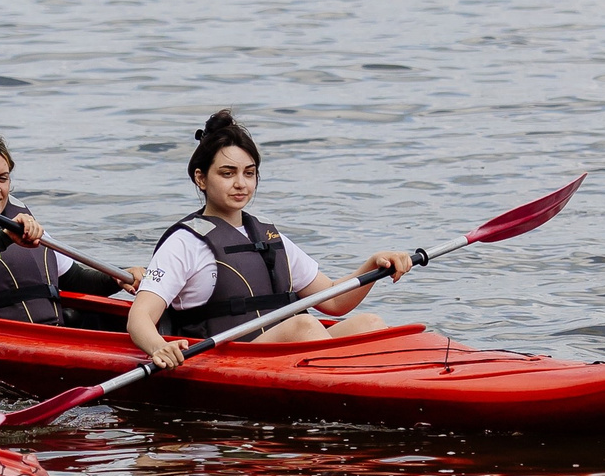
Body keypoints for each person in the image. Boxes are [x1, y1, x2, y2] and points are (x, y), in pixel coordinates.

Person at [127, 110, 411, 369]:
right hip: (227, 358)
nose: (241, 183)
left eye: (249, 173)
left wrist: (374, 266)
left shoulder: (270, 237)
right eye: (228, 173)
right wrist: (159, 348)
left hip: (287, 352)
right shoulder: (184, 243)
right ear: (201, 179)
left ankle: (389, 381)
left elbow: (334, 303)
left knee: (370, 324)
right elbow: (139, 318)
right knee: (302, 325)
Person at [0, 128, 144, 324]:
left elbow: (77, 279)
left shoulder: (22, 220)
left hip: (51, 334)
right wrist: (3, 239)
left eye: (2, 178)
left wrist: (117, 276)